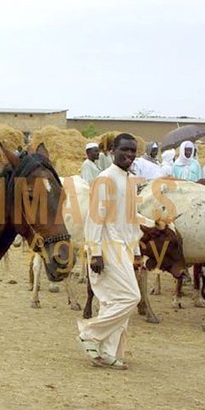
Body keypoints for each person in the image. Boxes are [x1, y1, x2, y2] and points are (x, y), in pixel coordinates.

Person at [77, 133, 142, 370]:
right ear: (112, 150)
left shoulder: (128, 180)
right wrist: (94, 252)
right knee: (131, 297)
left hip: (124, 247)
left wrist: (135, 252)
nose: (129, 155)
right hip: (107, 246)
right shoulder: (105, 179)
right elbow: (95, 218)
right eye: (125, 149)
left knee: (113, 299)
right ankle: (90, 333)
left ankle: (105, 352)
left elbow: (132, 221)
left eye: (133, 151)